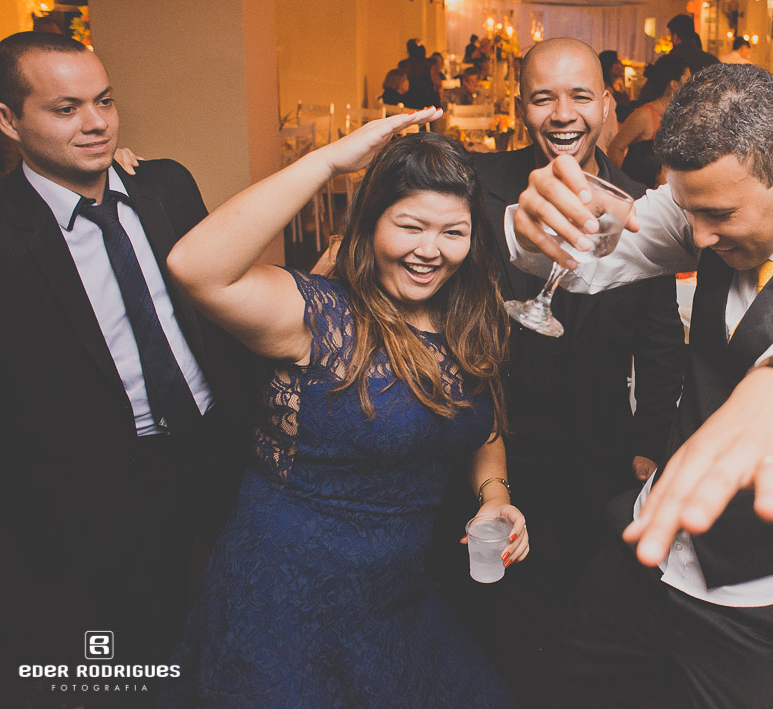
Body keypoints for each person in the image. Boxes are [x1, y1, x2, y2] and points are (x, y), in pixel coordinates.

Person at [510, 63, 773, 709]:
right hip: (649, 549)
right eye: (690, 210)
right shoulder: (706, 204)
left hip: (769, 603)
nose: (698, 236)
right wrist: (530, 228)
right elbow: (592, 260)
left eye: (719, 215)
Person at [159, 113, 529, 708]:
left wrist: (494, 496)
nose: (429, 252)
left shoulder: (468, 316)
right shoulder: (319, 317)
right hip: (285, 596)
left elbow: (478, 422)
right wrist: (329, 161)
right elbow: (194, 267)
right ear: (370, 222)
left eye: (452, 232)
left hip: (394, 594)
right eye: (410, 226)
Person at [0, 31, 251, 706]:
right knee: (138, 644)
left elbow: (221, 305)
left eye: (104, 101)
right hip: (105, 478)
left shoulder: (164, 184)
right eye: (66, 108)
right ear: (8, 120)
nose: (96, 123)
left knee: (248, 603)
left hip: (217, 437)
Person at [438, 37, 684, 701]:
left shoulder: (641, 210)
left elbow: (663, 344)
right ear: (522, 107)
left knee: (580, 621)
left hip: (597, 450)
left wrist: (646, 446)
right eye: (544, 96)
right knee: (487, 611)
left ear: (608, 106)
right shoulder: (478, 184)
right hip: (488, 439)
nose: (562, 112)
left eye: (580, 95)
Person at [607, 53, 689, 175]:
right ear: (674, 85)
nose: (691, 87)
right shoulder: (644, 115)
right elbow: (614, 149)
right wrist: (633, 182)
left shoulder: (684, 116)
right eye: (687, 81)